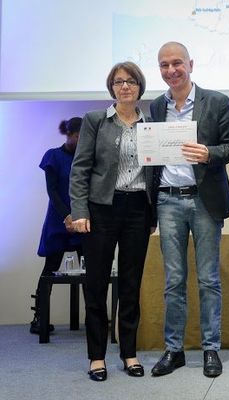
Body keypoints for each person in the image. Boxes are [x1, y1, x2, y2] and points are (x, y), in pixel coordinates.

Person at [149, 42, 229, 378]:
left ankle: (210, 349)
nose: (171, 71)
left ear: (191, 64)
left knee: (208, 279)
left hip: (204, 200)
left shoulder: (216, 101)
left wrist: (208, 153)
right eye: (163, 65)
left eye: (177, 64)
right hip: (167, 200)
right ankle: (174, 350)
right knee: (173, 280)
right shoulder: (157, 106)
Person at [70, 61, 155, 381]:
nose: (125, 87)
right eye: (119, 82)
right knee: (96, 285)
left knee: (131, 286)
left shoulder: (150, 123)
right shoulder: (95, 120)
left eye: (131, 81)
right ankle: (96, 357)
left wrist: (153, 214)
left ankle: (129, 353)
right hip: (101, 209)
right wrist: (79, 212)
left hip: (138, 209)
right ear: (112, 87)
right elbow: (79, 170)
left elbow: (157, 173)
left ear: (139, 86)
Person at [31, 117, 83, 335]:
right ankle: (39, 317)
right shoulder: (53, 156)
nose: (80, 141)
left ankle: (96, 317)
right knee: (50, 269)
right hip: (58, 220)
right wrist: (66, 215)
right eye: (77, 136)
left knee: (91, 271)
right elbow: (52, 191)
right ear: (68, 134)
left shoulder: (87, 158)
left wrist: (78, 216)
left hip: (83, 220)